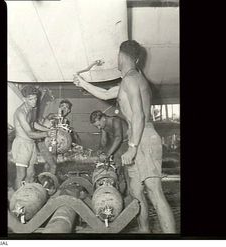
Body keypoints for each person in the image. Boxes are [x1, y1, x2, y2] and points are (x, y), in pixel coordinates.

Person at [73, 40, 176, 233]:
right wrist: (83, 83)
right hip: (138, 136)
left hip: (143, 137)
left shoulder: (131, 79)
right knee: (136, 193)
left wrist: (133, 147)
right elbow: (106, 94)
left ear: (121, 57)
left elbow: (139, 115)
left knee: (155, 193)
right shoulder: (129, 79)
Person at [12, 85, 56, 190]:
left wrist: (47, 129)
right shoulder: (20, 112)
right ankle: (15, 199)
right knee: (21, 175)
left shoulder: (33, 108)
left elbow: (33, 123)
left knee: (31, 174)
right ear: (24, 99)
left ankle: (26, 197)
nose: (34, 101)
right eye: (30, 99)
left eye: (35, 98)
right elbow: (30, 133)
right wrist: (47, 134)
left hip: (31, 144)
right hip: (22, 144)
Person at [90, 110, 129, 194]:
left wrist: (108, 154)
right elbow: (104, 141)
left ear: (103, 118)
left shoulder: (115, 121)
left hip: (127, 144)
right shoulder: (103, 126)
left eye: (99, 125)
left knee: (127, 170)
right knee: (116, 167)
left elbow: (118, 138)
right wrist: (100, 151)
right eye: (97, 127)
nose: (99, 128)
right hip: (118, 145)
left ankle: (129, 192)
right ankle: (118, 190)